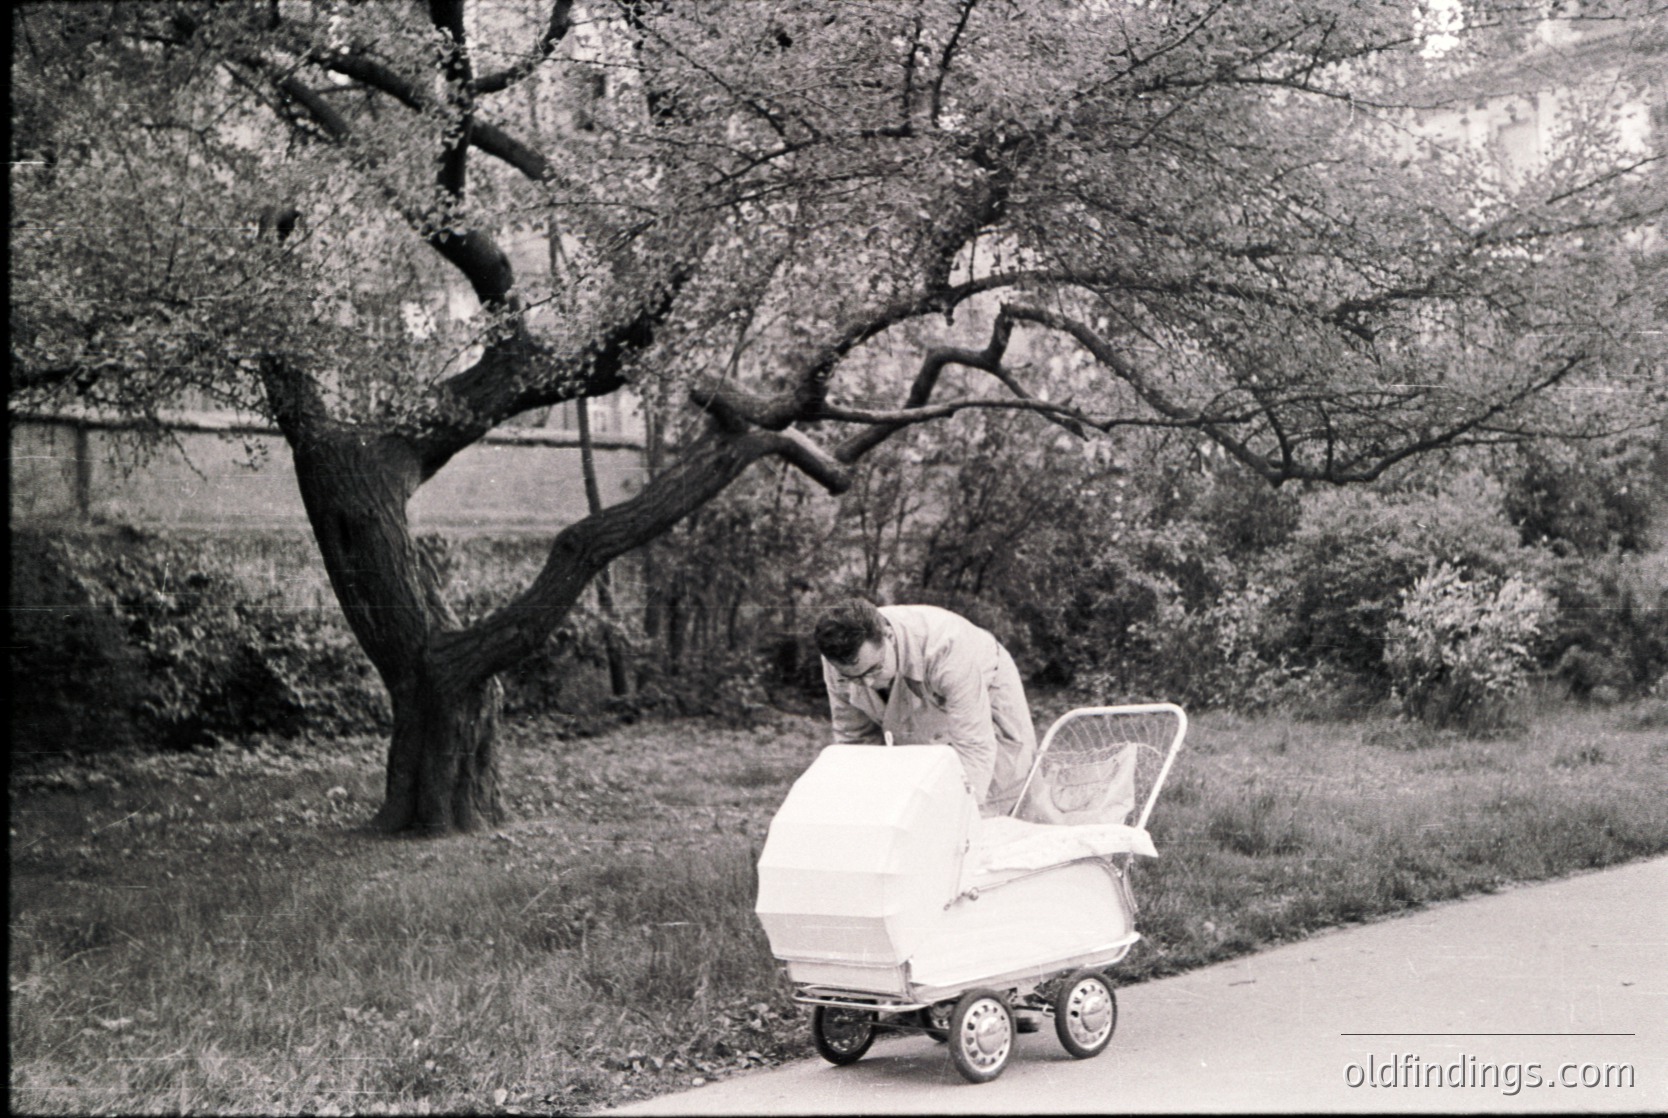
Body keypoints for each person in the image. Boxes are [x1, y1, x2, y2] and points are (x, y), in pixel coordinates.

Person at [813, 598, 1037, 816]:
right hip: (921, 692)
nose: (868, 684)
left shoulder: (947, 647)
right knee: (916, 791)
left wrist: (959, 820)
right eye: (855, 678)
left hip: (987, 683)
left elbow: (974, 747)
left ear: (888, 636)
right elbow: (855, 742)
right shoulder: (838, 660)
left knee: (1011, 787)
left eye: (874, 670)